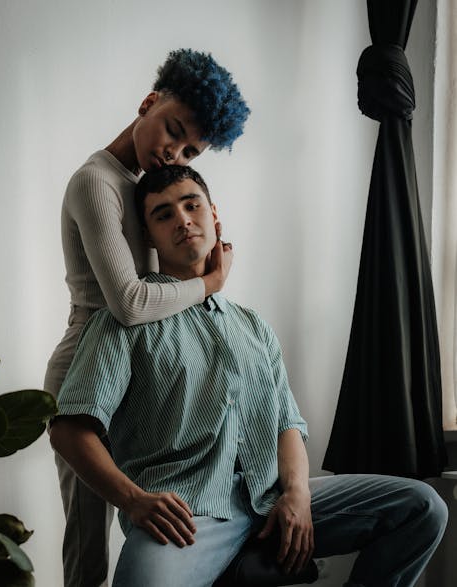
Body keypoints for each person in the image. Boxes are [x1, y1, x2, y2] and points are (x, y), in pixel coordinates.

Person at [50, 165, 448, 587]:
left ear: (213, 213)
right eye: (163, 215)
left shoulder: (252, 326)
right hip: (189, 516)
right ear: (148, 236)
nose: (182, 220)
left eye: (191, 205)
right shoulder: (122, 322)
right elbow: (69, 431)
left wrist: (298, 492)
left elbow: (287, 425)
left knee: (422, 508)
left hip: (271, 500)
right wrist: (133, 502)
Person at [44, 49, 250, 586]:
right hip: (81, 378)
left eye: (190, 150)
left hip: (138, 372)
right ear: (148, 102)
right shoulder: (96, 181)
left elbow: (164, 288)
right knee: (89, 544)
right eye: (172, 130)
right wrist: (210, 283)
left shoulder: (144, 190)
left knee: (155, 524)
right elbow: (132, 302)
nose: (173, 153)